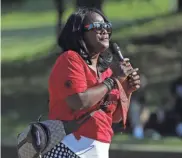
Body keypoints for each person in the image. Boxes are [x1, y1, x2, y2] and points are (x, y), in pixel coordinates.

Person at [45, 8, 140, 158]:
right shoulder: (70, 59)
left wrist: (126, 90)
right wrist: (113, 81)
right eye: (97, 27)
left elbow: (113, 117)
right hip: (69, 146)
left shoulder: (107, 72)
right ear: (80, 33)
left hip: (97, 149)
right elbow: (79, 101)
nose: (104, 31)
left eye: (106, 26)